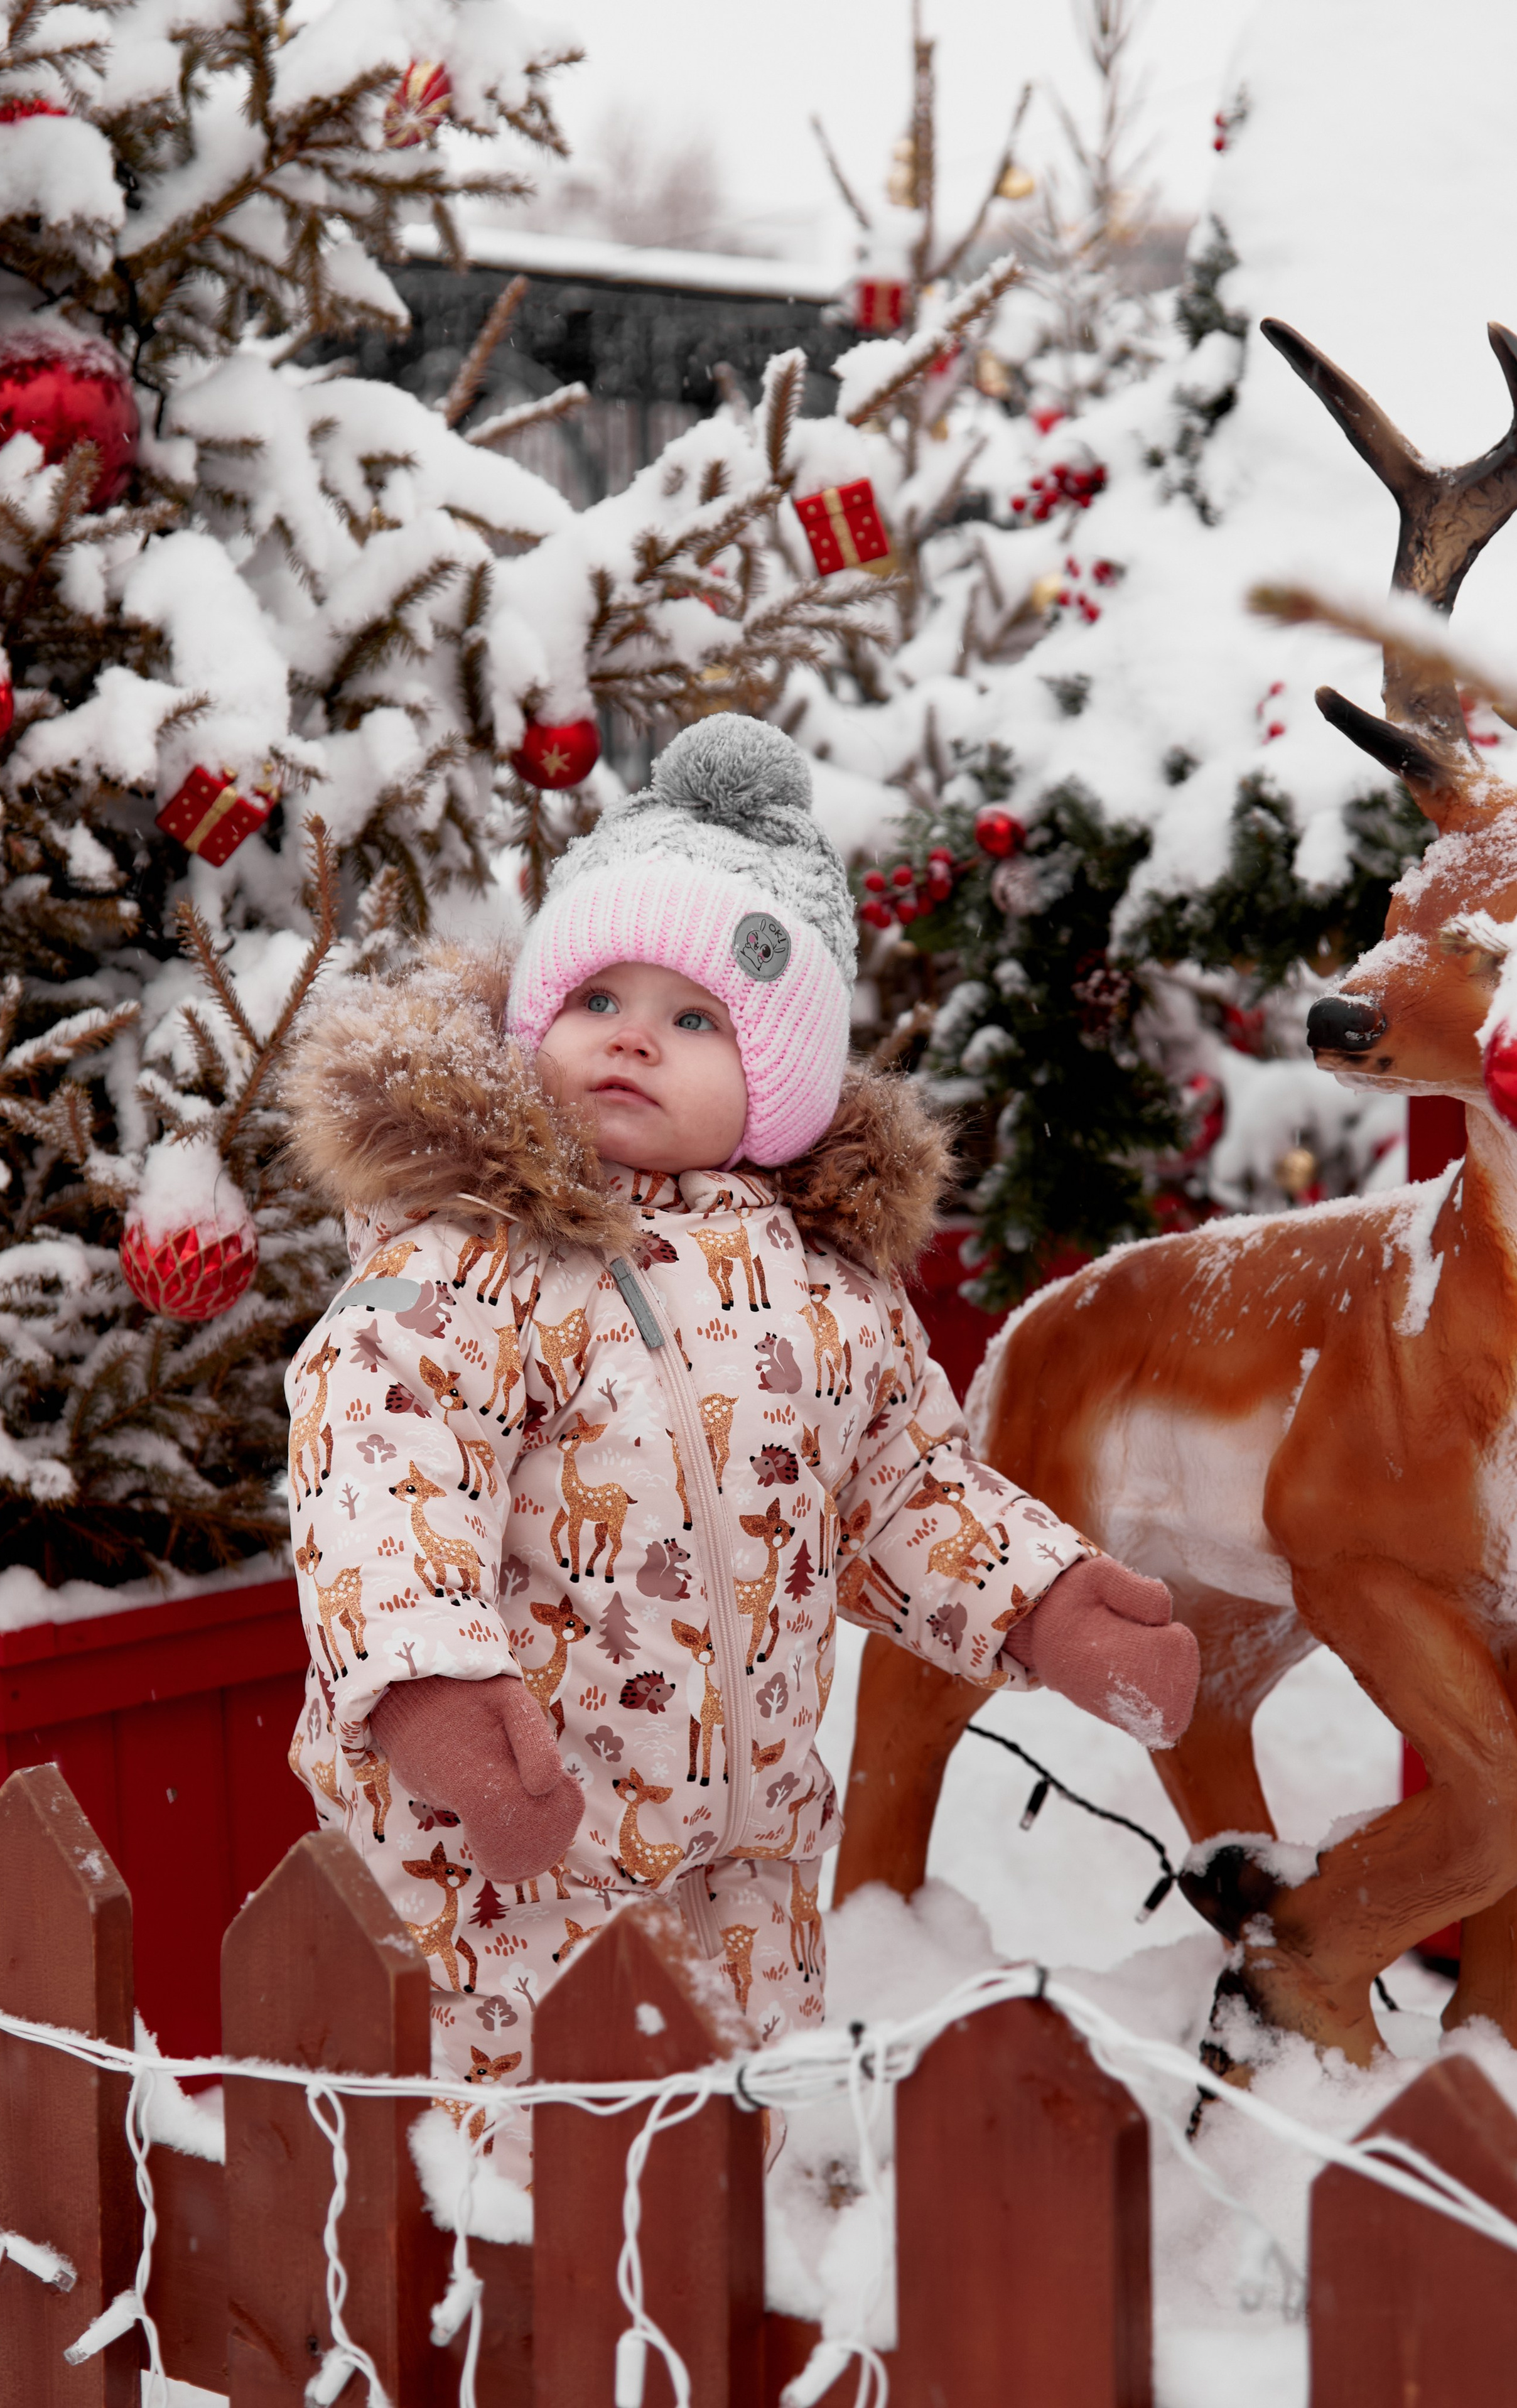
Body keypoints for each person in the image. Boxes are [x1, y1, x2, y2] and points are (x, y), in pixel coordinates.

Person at [280, 716, 1198, 2176]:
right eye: (596, 993)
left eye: (695, 1016)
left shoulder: (832, 1290)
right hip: (519, 1847)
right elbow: (374, 1463)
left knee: (736, 2159)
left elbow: (899, 1488)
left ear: (780, 1085)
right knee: (536, 2178)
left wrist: (1040, 1599)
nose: (633, 1033)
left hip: (754, 1849)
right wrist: (428, 1688)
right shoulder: (473, 1262)